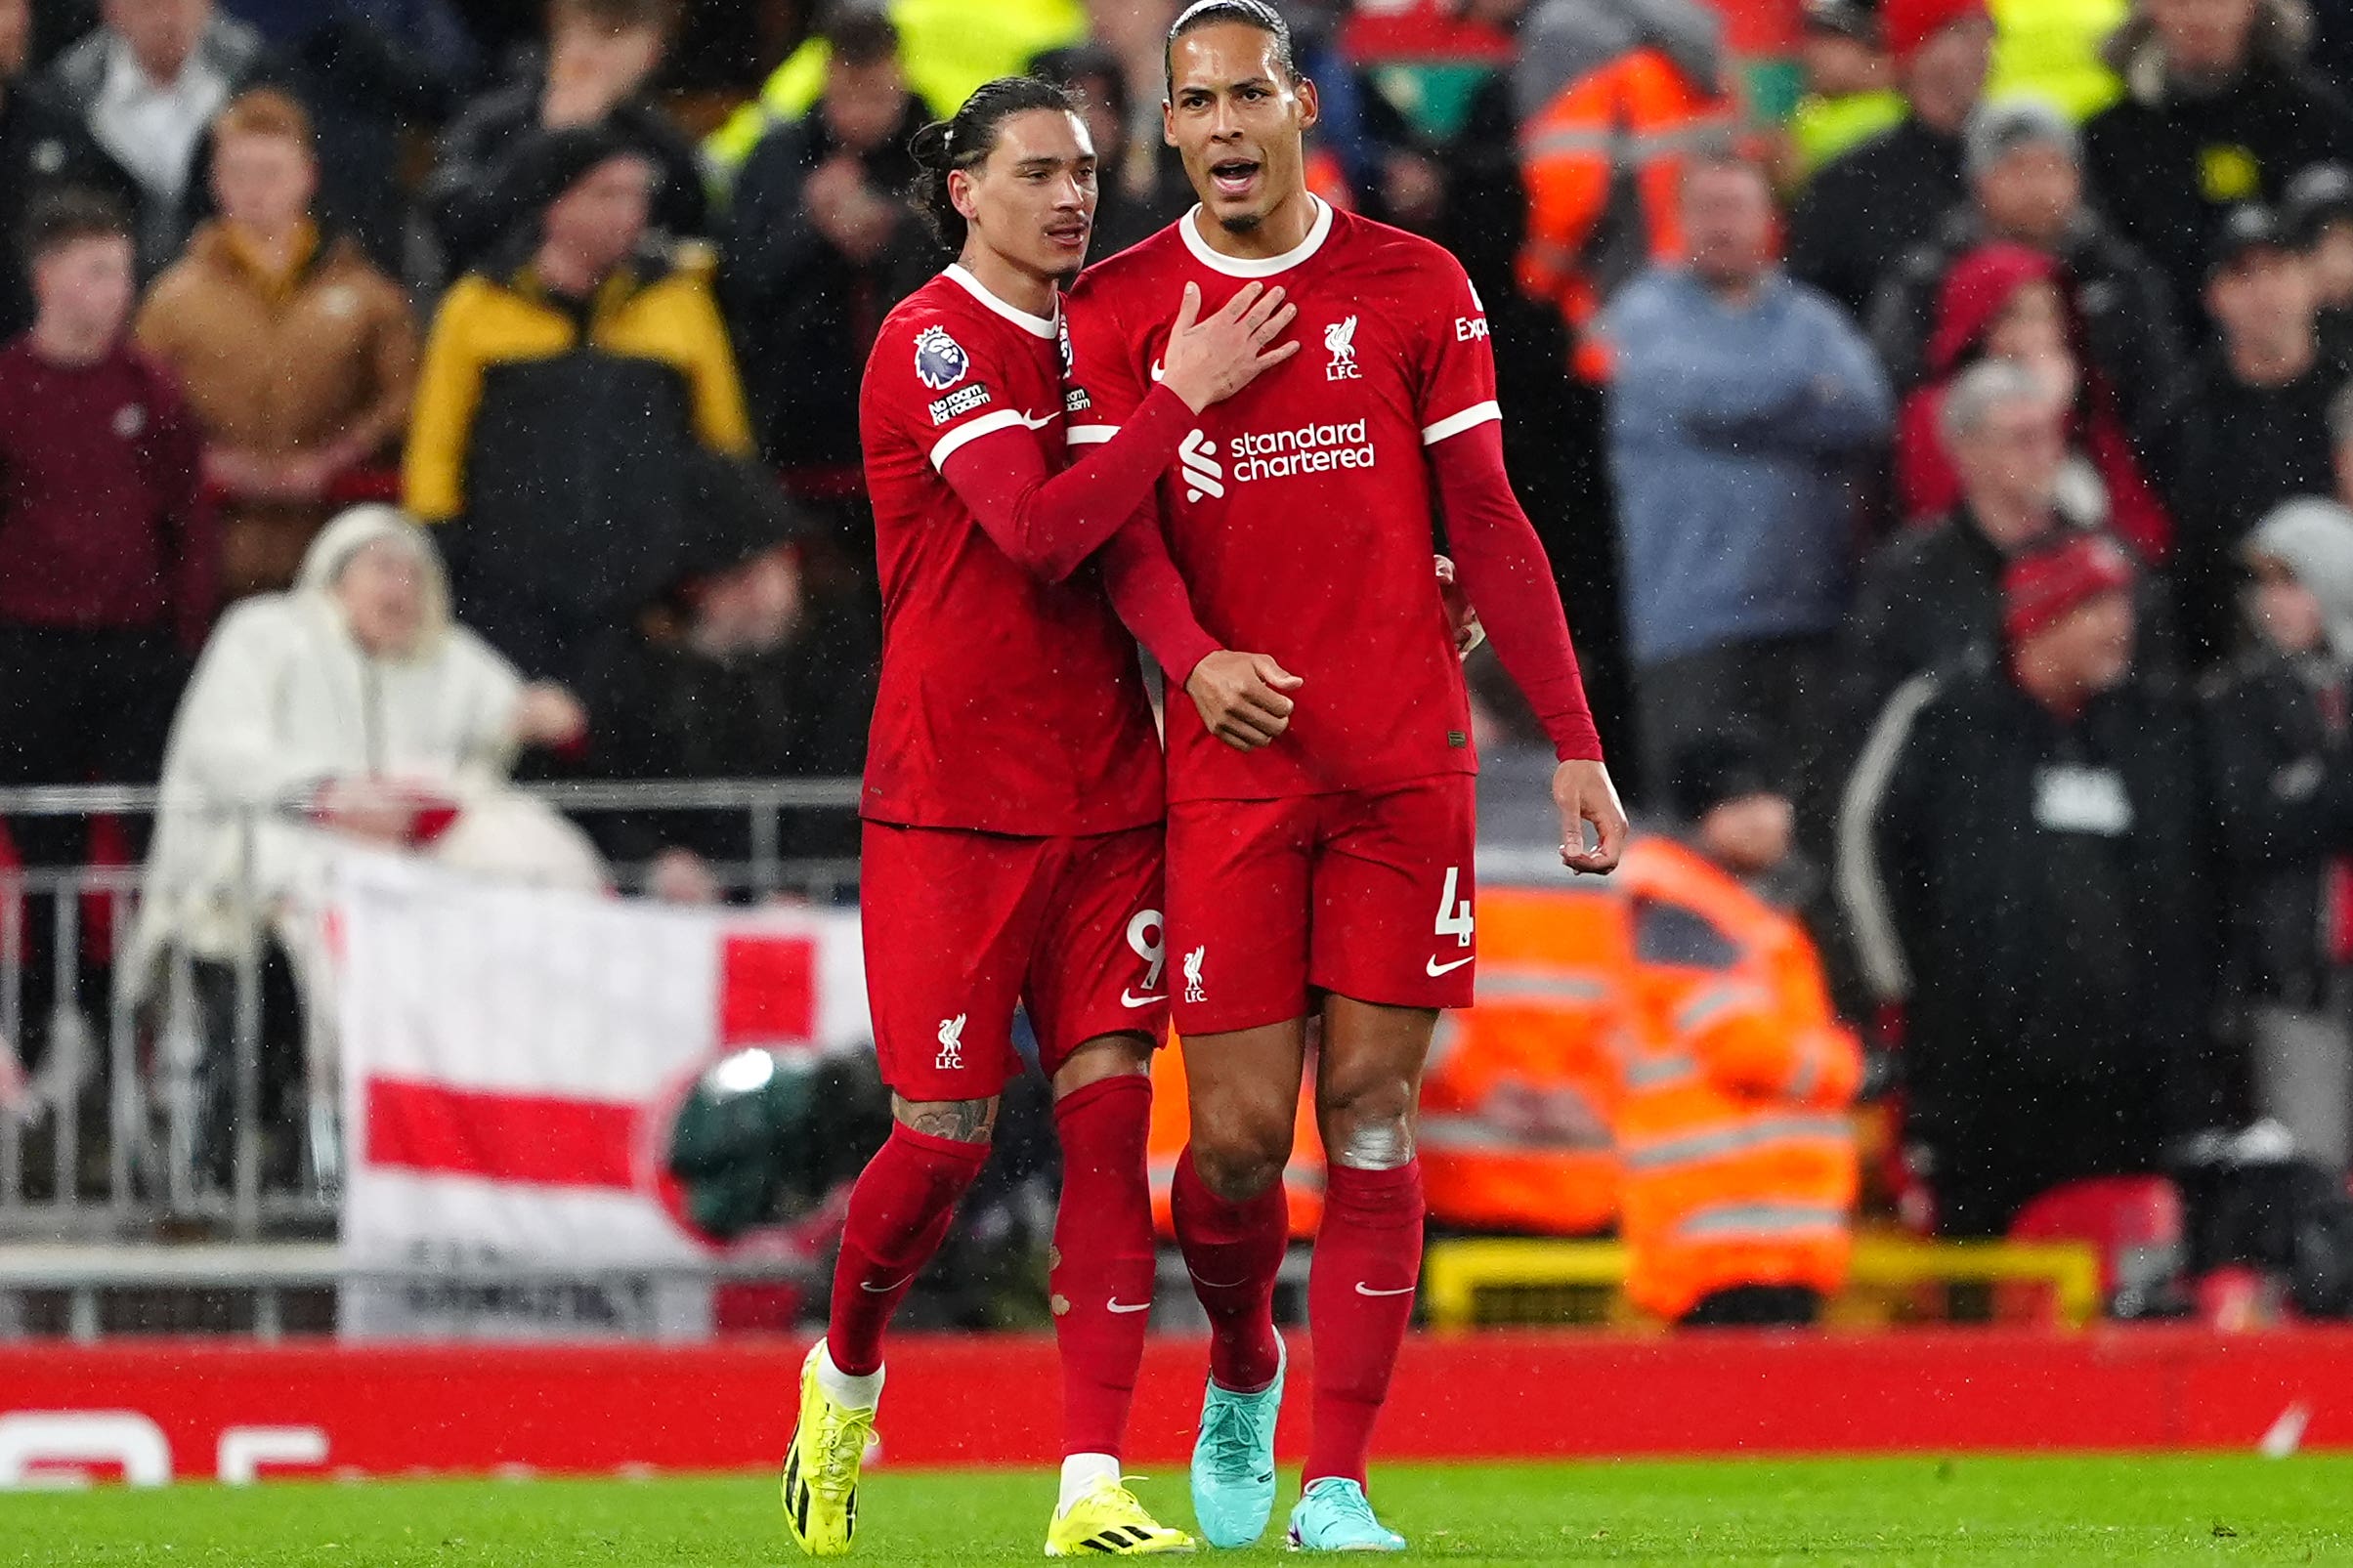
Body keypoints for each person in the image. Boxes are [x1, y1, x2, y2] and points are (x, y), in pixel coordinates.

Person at [1059, 2, 1624, 1550]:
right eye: (1198, 102)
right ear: (1167, 127)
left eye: (1252, 93)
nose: (1228, 124)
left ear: (1304, 103)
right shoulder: (1119, 309)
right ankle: (1245, 1358)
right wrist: (1197, 663)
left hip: (1398, 766)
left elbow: (1490, 518)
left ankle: (1339, 1482)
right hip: (1233, 778)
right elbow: (1109, 536)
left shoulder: (1411, 282)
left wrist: (1573, 741)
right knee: (1237, 1142)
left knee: (1372, 1117)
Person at [779, 73, 1307, 1560]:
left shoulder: (1106, 345)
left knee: (1107, 1125)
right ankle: (847, 1371)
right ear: (965, 192)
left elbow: (1140, 535)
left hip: (1108, 798)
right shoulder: (930, 341)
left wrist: (1213, 654)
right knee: (943, 1142)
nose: (1072, 197)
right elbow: (1042, 529)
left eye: (1083, 172)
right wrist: (1179, 396)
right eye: (1036, 174)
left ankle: (1088, 1483)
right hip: (951, 799)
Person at [124, 504, 594, 1188]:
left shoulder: (443, 652)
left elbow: (502, 715)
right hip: (269, 869)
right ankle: (281, 1160)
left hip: (410, 888)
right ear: (334, 575)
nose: (399, 588)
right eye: (383, 568)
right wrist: (327, 796)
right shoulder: (266, 635)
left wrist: (535, 716)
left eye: (413, 572)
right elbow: (220, 748)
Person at [1840, 532, 2223, 1237]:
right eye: (2096, 608)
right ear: (2039, 618)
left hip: (2123, 1084)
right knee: (1984, 1297)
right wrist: (1902, 999)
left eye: (2123, 606)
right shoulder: (1947, 720)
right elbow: (1867, 850)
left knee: (2123, 1296)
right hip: (1985, 1081)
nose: (2121, 627)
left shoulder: (2153, 729)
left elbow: (2193, 891)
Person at [403, 126, 753, 686]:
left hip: (648, 601)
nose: (631, 213)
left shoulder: (677, 298)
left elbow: (725, 439)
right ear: (555, 202)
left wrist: (734, 553)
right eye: (608, 194)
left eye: (638, 195)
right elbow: (435, 450)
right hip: (510, 599)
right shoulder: (478, 303)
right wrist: (443, 557)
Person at [1598, 150, 1891, 803]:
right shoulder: (1646, 314)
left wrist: (1748, 414)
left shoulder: (1811, 316)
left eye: (1735, 207)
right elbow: (1698, 396)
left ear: (1770, 221)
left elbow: (1867, 408)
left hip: (1810, 613)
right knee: (1702, 834)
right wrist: (1803, 397)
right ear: (1678, 220)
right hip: (1692, 619)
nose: (1720, 225)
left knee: (1806, 828)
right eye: (1704, 209)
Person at [0, 187, 209, 1069]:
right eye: (96, 271)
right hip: (31, 646)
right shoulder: (8, 387)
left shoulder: (150, 386)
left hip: (135, 651)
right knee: (44, 843)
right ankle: (47, 1025)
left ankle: (146, 1020)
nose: (116, 289)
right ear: (47, 278)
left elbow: (186, 521)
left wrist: (182, 642)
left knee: (152, 836)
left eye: (122, 270)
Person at [1616, 728, 1862, 1328]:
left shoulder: (1745, 910)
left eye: (1770, 798)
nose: (1763, 817)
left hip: (1763, 1234)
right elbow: (1744, 1051)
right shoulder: (1682, 912)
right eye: (1737, 801)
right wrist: (1845, 1068)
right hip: (1720, 1238)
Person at [135, 87, 416, 599]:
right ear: (216, 181)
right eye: (238, 173)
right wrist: (208, 460)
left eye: (271, 172)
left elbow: (404, 397)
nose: (255, 190)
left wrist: (338, 456)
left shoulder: (368, 295)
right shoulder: (173, 300)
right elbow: (140, 404)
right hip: (214, 553)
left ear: (307, 176)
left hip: (334, 551)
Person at [573, 457, 875, 895]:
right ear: (696, 590)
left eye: (775, 565)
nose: (763, 592)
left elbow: (843, 788)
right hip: (672, 907)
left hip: (820, 893)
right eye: (739, 576)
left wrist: (798, 879)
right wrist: (652, 858)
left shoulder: (836, 657)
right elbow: (603, 794)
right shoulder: (637, 670)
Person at [719, 13, 937, 531]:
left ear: (901, 81)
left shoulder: (943, 157)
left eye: (878, 97)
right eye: (848, 97)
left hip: (922, 414)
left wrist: (896, 229)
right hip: (802, 420)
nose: (861, 115)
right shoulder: (777, 157)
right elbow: (742, 282)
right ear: (826, 84)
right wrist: (811, 226)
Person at [2203, 498, 2353, 1172]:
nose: (2272, 603)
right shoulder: (2238, 699)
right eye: (2261, 583)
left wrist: (2317, 784)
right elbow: (2256, 826)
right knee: (2311, 1179)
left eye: (2290, 581)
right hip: (2296, 983)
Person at [1867, 96, 2182, 414]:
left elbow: (2159, 392)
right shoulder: (1929, 279)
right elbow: (1901, 386)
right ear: (1978, 181)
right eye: (2017, 168)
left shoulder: (2117, 274)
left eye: (2051, 167)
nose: (2037, 188)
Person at [2084, 0, 2353, 343]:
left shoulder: (2315, 116)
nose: (2203, 15)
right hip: (2164, 354)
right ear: (2150, 9)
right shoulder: (2112, 137)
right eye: (2183, 2)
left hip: (2316, 356)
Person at [2157, 204, 2350, 667]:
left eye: (2279, 268)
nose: (2264, 291)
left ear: (2311, 280)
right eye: (2243, 275)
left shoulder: (2345, 389)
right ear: (2213, 296)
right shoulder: (2184, 416)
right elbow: (2184, 562)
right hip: (2234, 656)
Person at [1891, 243, 2172, 562]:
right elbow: (1947, 521)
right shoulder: (1934, 410)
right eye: (2013, 315)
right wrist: (2043, 412)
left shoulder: (2084, 408)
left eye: (2047, 315)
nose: (2034, 334)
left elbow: (2144, 532)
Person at [1510, 0, 1734, 376]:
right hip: (1708, 294)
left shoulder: (1565, 36)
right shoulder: (1689, 45)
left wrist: (1535, 278)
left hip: (1623, 298)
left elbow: (1573, 196)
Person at [423, 0, 705, 276]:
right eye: (584, 33)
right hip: (500, 307)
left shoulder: (660, 141)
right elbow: (453, 236)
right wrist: (556, 143)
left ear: (652, 52)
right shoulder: (490, 122)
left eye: (614, 38)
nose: (591, 56)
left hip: (626, 313)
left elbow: (690, 237)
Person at [1787, 0, 1992, 318]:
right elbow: (1811, 312)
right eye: (1964, 33)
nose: (1984, 51)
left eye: (1988, 35)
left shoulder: (2014, 163)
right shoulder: (1849, 185)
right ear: (1920, 50)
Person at [42, 0, 269, 275]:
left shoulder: (258, 80)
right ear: (111, 10)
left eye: (178, 5)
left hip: (234, 282)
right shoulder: (64, 101)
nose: (166, 20)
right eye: (148, 6)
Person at [0, 0, 135, 340]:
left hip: (45, 360)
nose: (13, 25)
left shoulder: (56, 126)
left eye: (15, 8)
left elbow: (113, 219)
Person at [1785, 0, 1904, 184]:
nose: (1812, 51)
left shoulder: (1897, 113)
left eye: (1830, 38)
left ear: (1871, 48)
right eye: (1813, 38)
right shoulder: (1809, 107)